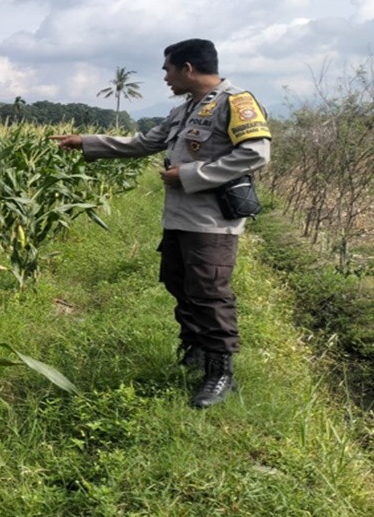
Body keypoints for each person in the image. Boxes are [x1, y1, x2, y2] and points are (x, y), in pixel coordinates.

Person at [50, 39, 271, 408]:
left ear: (187, 69)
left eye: (168, 69)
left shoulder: (236, 102)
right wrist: (85, 142)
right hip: (180, 218)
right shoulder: (185, 109)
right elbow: (143, 143)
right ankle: (196, 348)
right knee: (177, 280)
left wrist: (190, 175)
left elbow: (255, 153)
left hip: (211, 222)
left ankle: (220, 372)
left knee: (209, 292)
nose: (165, 77)